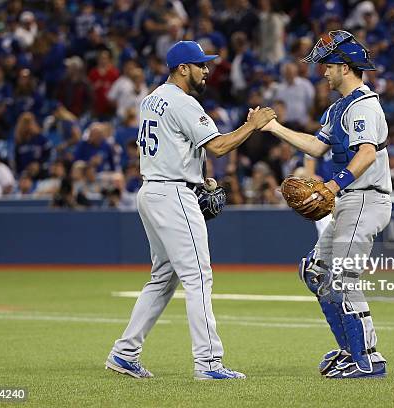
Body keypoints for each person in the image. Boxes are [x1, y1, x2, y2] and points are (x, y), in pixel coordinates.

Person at [106, 41, 275, 380]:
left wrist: (196, 175)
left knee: (163, 278)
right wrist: (252, 125)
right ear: (183, 68)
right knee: (198, 276)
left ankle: (124, 353)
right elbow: (219, 145)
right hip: (172, 194)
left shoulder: (150, 99)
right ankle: (209, 364)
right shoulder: (183, 103)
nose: (206, 70)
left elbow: (173, 145)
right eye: (200, 65)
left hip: (153, 190)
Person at [262, 30, 391, 378]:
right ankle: (350, 350)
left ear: (345, 67)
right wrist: (273, 127)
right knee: (316, 272)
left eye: (328, 66)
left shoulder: (364, 105)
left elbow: (366, 152)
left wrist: (333, 184)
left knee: (343, 278)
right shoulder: (339, 108)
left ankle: (367, 359)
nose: (323, 73)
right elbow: (318, 147)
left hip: (366, 197)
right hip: (351, 199)